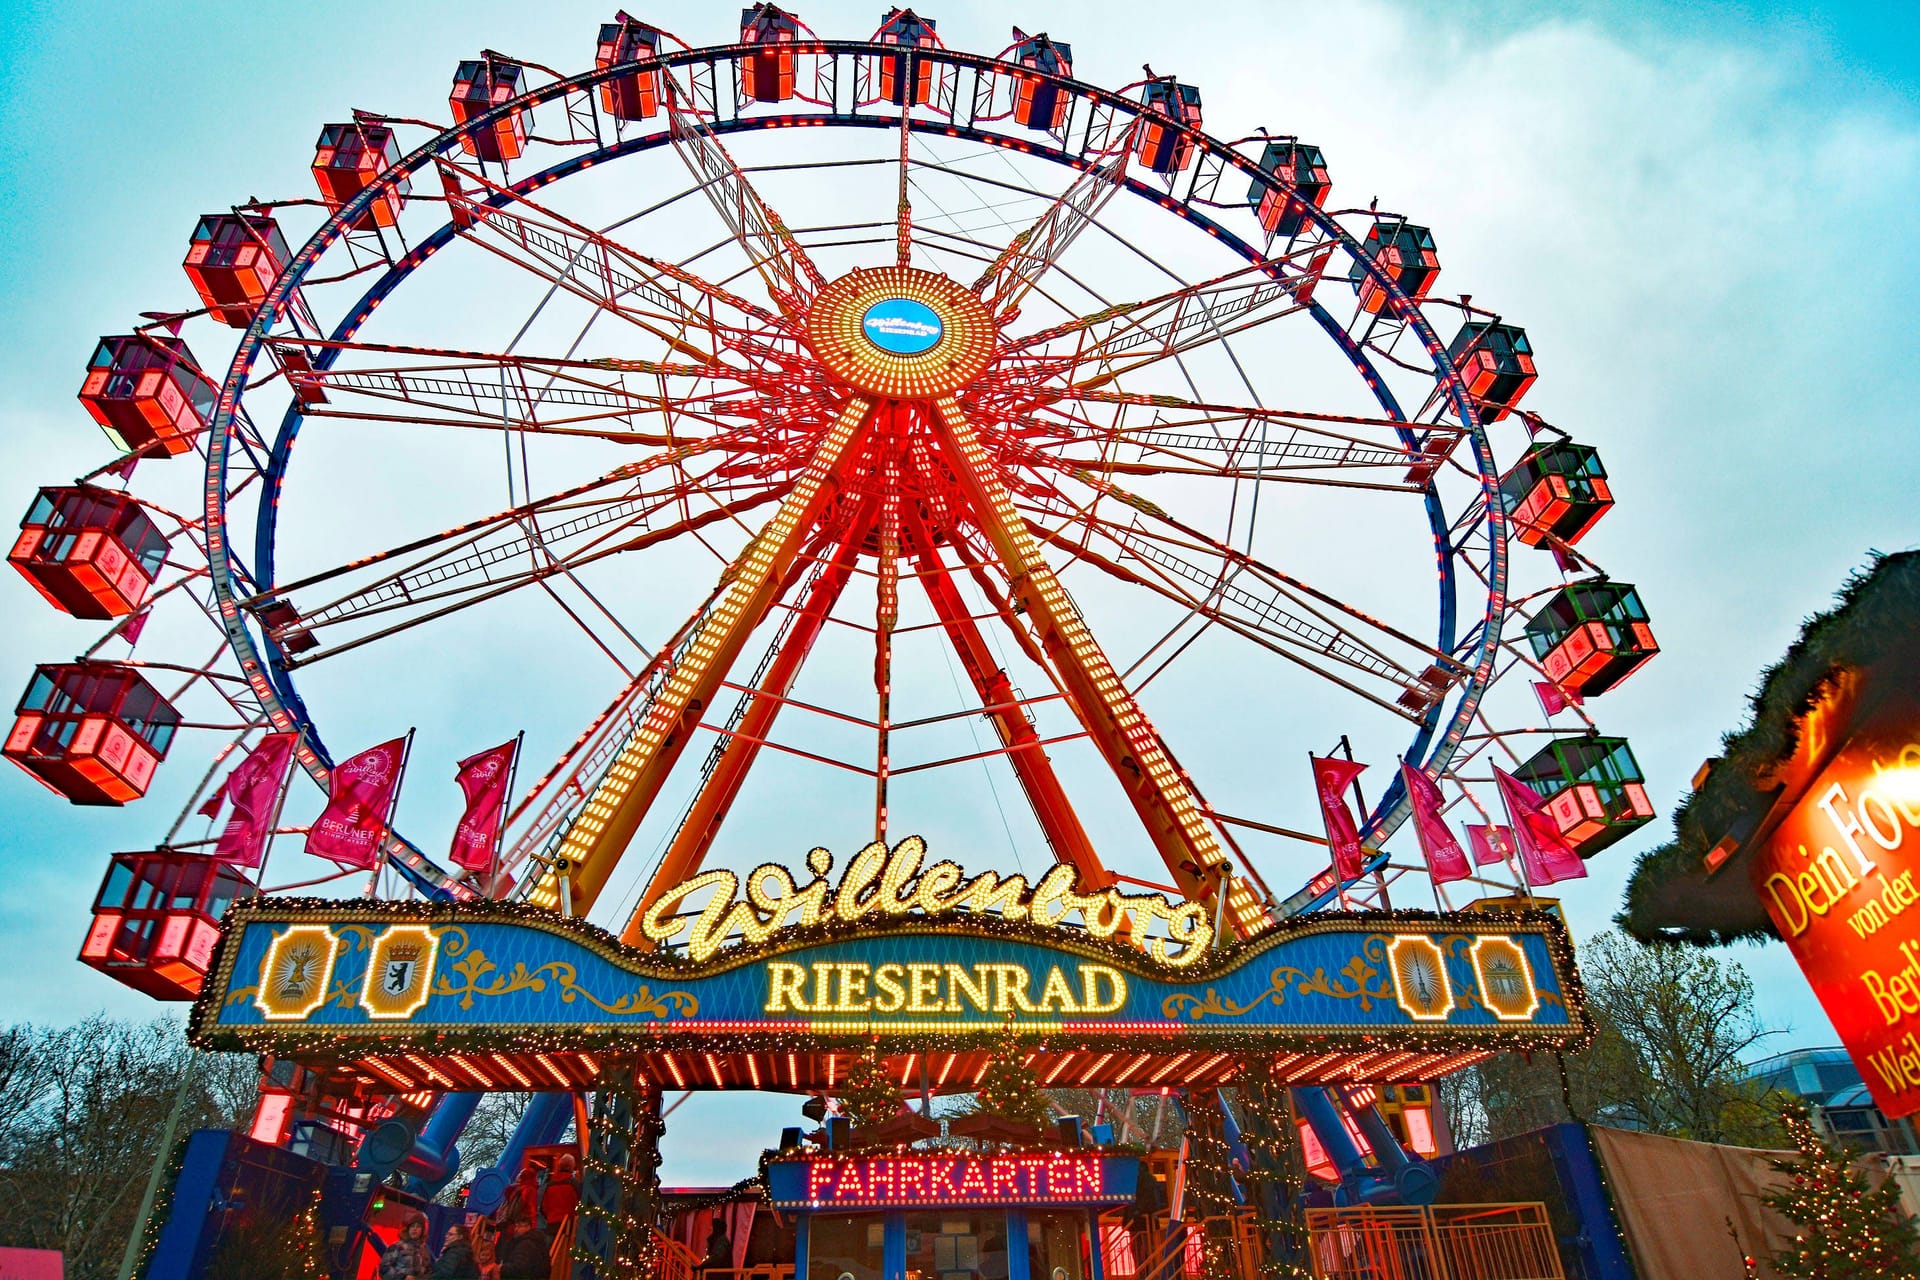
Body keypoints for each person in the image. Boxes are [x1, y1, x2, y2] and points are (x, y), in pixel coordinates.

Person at [495, 1196, 554, 1280]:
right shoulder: (534, 1241)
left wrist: (501, 1268)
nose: (516, 1229)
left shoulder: (527, 1244)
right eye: (516, 1225)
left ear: (528, 1226)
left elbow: (520, 1266)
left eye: (519, 1226)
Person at [379, 1210, 434, 1280]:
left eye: (418, 1226)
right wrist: (403, 1277)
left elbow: (428, 1273)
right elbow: (384, 1269)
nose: (415, 1229)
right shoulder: (397, 1246)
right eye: (412, 1226)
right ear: (408, 1229)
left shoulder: (424, 1251)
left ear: (422, 1230)